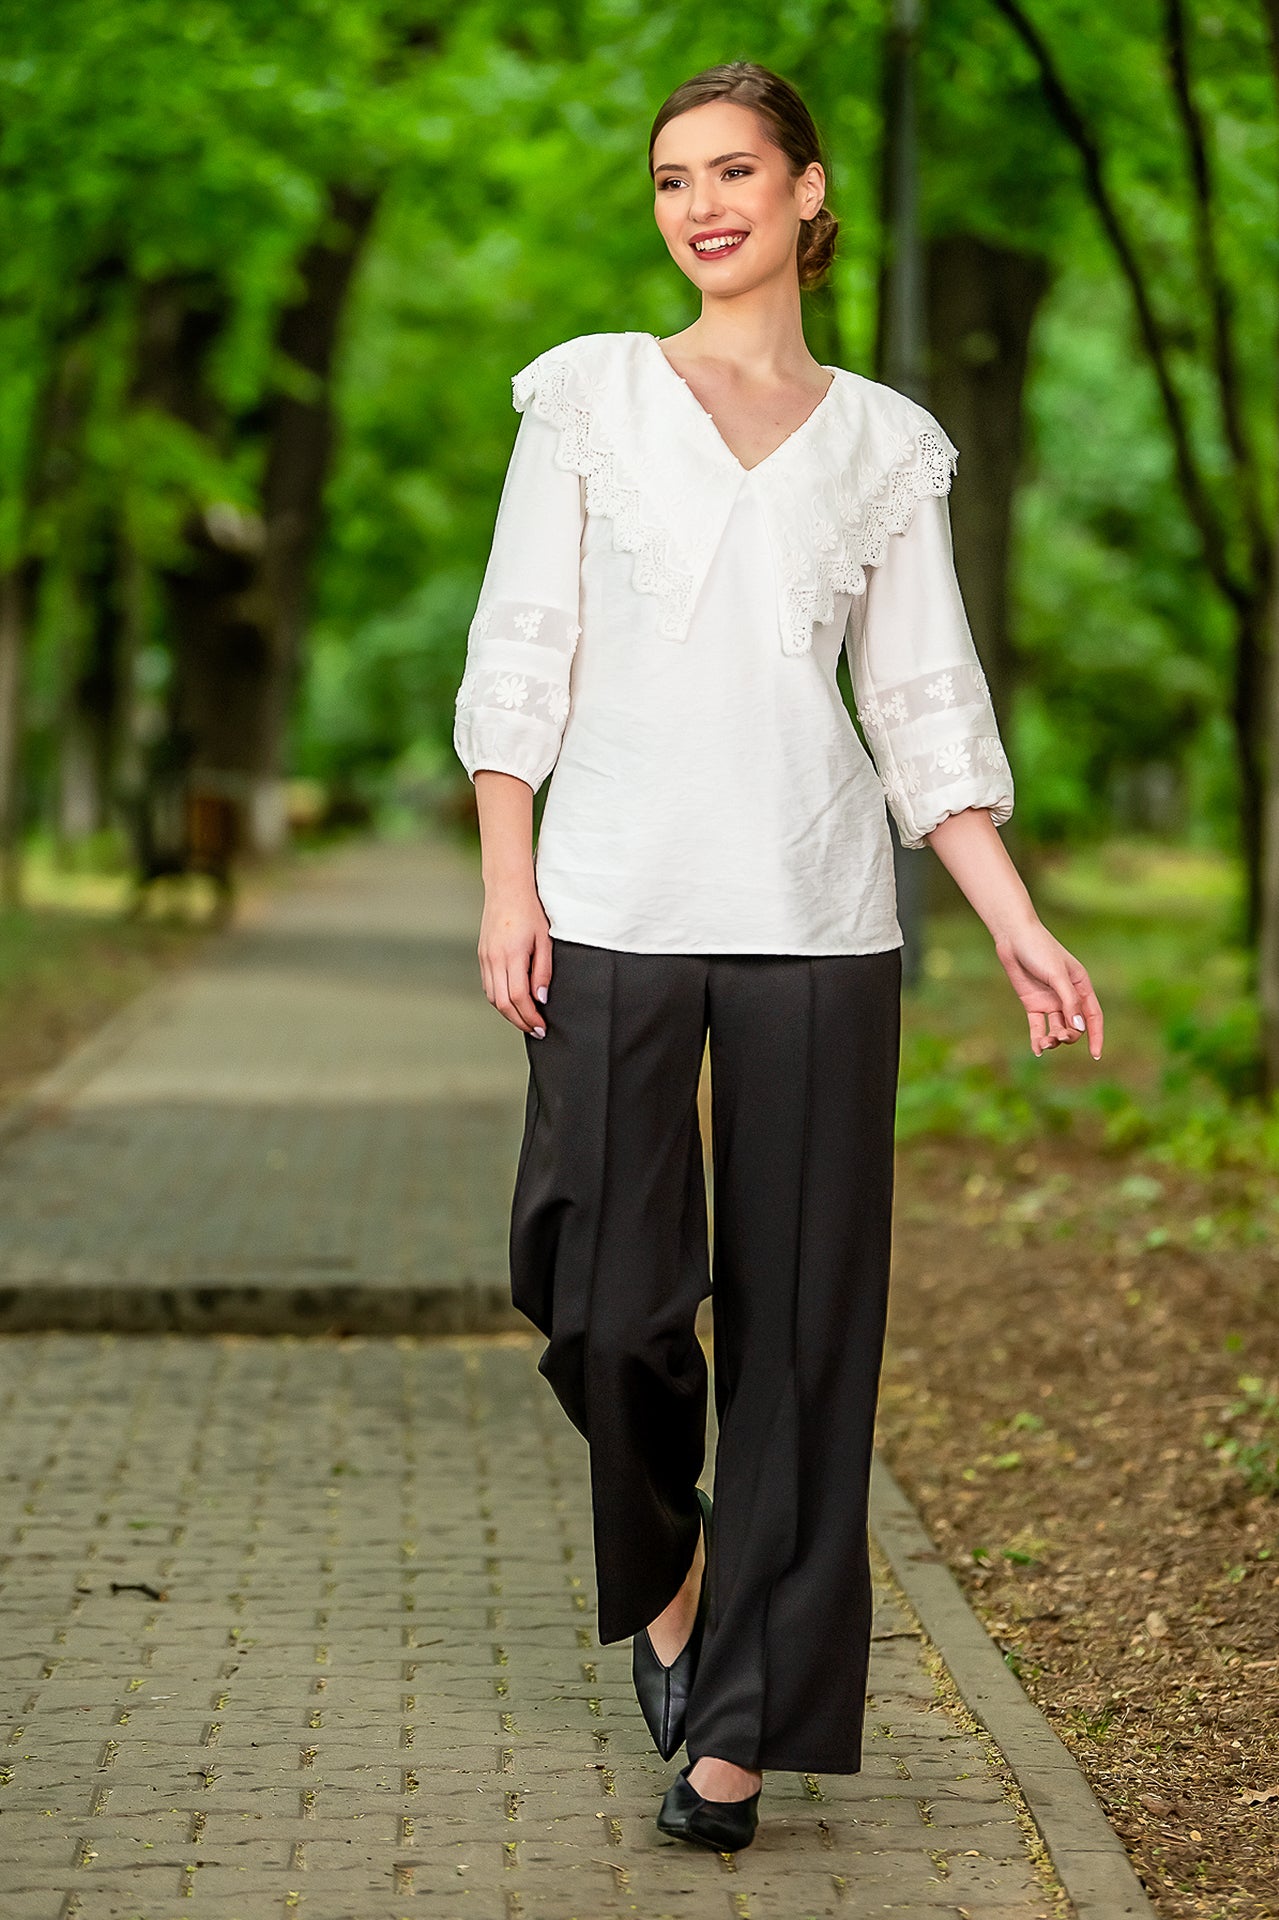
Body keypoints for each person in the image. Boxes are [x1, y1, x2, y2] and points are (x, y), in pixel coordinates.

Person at [452, 60, 1104, 1855]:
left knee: (806, 1334)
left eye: (735, 171)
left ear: (808, 192)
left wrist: (1014, 915)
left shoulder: (888, 442)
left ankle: (739, 1727)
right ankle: (671, 1587)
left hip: (819, 916)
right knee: (602, 1299)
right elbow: (521, 645)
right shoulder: (587, 395)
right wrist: (509, 881)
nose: (702, 206)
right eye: (673, 180)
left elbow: (920, 699)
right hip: (608, 903)